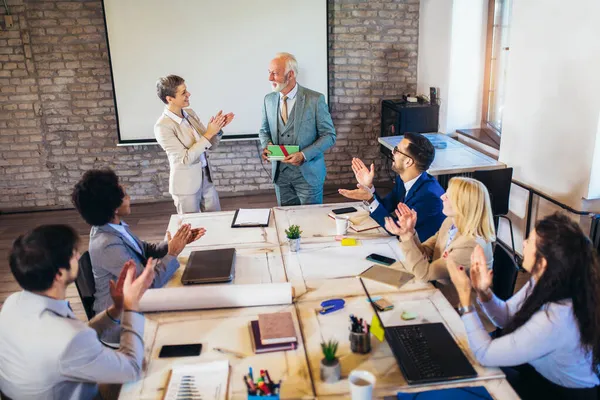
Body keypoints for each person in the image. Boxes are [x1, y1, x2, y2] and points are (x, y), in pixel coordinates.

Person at [447, 213, 600, 400]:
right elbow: (506, 317)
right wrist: (482, 292)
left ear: (542, 263)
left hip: (561, 395)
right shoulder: (544, 281)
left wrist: (464, 297)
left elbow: (484, 354)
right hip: (537, 377)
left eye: (530, 241)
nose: (524, 243)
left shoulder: (556, 318)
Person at [0, 225, 155, 399]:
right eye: (73, 253)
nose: (79, 256)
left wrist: (116, 309)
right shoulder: (69, 338)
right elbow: (132, 369)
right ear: (59, 273)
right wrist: (130, 306)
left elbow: (76, 340)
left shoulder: (12, 304)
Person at [71, 169, 205, 316]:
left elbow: (145, 250)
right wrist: (173, 252)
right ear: (114, 208)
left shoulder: (113, 226)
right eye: (125, 195)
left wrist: (175, 242)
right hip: (120, 317)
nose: (129, 198)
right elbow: (147, 284)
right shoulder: (107, 245)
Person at [259, 52, 336, 206]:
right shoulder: (269, 100)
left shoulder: (315, 99)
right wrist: (267, 146)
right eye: (269, 73)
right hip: (281, 176)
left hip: (308, 174)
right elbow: (264, 131)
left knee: (311, 221)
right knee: (286, 221)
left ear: (291, 74)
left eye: (275, 73)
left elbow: (329, 135)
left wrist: (303, 155)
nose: (270, 78)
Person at [339, 132, 445, 241]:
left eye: (397, 150)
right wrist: (368, 186)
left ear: (408, 162)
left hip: (423, 252)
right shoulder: (403, 179)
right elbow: (386, 206)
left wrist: (370, 199)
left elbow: (397, 229)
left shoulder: (429, 196)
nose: (392, 152)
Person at [385, 177, 495, 281]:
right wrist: (410, 231)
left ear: (463, 204)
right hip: (437, 290)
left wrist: (405, 236)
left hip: (454, 300)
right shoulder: (450, 223)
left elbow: (424, 274)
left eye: (449, 195)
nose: (442, 197)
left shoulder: (471, 245)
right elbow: (426, 251)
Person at [154, 74, 234, 214]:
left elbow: (210, 145)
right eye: (183, 92)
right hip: (186, 186)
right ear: (169, 99)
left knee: (216, 221)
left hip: (207, 179)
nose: (188, 94)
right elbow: (185, 159)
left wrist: (217, 129)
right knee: (192, 228)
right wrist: (209, 133)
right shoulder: (162, 126)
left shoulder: (190, 113)